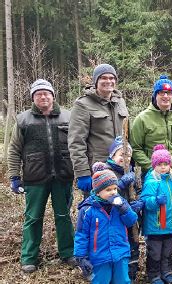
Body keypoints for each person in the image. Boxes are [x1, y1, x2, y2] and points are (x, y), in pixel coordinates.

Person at [7, 79, 76, 273]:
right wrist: (14, 176)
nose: (43, 97)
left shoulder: (68, 117)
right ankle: (28, 257)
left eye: (47, 93)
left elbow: (78, 145)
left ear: (53, 96)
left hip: (63, 176)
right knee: (33, 217)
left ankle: (68, 252)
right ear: (33, 98)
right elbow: (14, 150)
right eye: (38, 94)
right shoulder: (23, 120)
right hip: (35, 178)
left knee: (63, 216)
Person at [69, 64, 128, 194]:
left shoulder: (120, 102)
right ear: (96, 81)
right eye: (103, 78)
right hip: (99, 170)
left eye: (112, 78)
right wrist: (82, 173)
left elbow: (127, 134)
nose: (108, 81)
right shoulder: (83, 105)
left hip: (122, 167)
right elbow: (76, 142)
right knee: (99, 212)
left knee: (121, 209)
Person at [74, 164, 138, 283]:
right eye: (108, 190)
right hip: (99, 256)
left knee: (122, 281)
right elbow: (81, 235)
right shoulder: (87, 210)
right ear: (97, 192)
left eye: (114, 188)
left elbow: (131, 221)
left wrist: (124, 209)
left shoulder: (120, 203)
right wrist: (81, 256)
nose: (113, 192)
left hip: (120, 253)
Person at [97, 136, 144, 280]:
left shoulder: (132, 171)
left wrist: (139, 203)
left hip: (130, 218)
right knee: (118, 247)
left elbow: (139, 190)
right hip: (114, 220)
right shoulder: (106, 170)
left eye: (129, 154)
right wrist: (120, 185)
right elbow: (103, 195)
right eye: (122, 154)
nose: (126, 158)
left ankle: (131, 275)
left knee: (133, 245)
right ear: (112, 155)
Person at [131, 75, 172, 175]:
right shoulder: (142, 118)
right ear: (155, 95)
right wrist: (151, 167)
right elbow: (135, 148)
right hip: (152, 174)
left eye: (169, 93)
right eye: (161, 92)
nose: (165, 96)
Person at [140, 145, 172, 284]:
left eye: (166, 164)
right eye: (159, 164)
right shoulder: (151, 181)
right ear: (154, 165)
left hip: (169, 224)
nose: (163, 167)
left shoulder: (171, 180)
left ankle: (166, 271)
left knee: (167, 250)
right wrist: (155, 200)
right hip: (155, 225)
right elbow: (145, 201)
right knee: (155, 252)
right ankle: (153, 274)